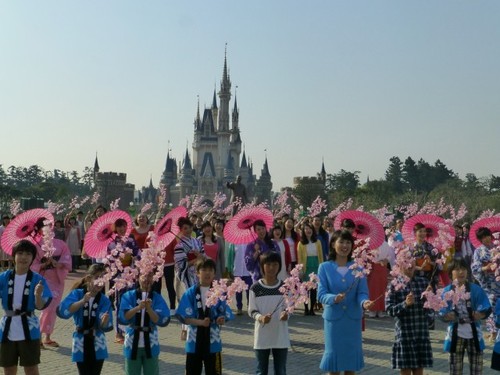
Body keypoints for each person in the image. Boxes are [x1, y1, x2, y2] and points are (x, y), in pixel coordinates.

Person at [317, 230, 373, 374]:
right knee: (333, 364)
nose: (345, 245)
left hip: (352, 321)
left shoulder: (358, 268)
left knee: (350, 363)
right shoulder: (324, 267)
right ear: (333, 244)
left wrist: (364, 302)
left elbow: (362, 292)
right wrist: (333, 298)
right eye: (341, 241)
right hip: (334, 321)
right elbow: (321, 294)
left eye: (348, 242)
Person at [0, 240, 52, 375]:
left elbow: (40, 306)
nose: (24, 257)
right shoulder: (4, 277)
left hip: (29, 327)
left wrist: (38, 295)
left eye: (28, 254)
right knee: (8, 368)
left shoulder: (38, 279)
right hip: (7, 328)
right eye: (20, 253)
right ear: (13, 256)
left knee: (31, 368)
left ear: (33, 258)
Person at [176, 258, 234, 375]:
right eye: (204, 270)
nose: (207, 273)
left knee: (214, 372)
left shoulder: (218, 292)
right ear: (197, 273)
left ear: (214, 273)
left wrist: (220, 319)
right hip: (194, 341)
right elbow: (183, 317)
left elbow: (224, 313)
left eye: (210, 270)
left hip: (213, 340)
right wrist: (200, 322)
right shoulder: (190, 292)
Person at [57, 264, 113, 375]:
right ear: (88, 278)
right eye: (97, 277)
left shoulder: (104, 300)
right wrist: (82, 301)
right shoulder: (77, 294)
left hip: (98, 340)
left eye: (103, 278)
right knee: (83, 372)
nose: (100, 281)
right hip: (80, 339)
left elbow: (104, 325)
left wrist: (104, 320)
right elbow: (66, 310)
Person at [439, 258, 491, 375]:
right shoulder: (446, 291)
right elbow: (441, 313)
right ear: (450, 273)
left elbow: (486, 308)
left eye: (463, 269)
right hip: (455, 334)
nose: (461, 272)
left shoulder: (476, 289)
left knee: (477, 369)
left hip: (474, 334)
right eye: (457, 269)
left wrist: (480, 314)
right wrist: (447, 315)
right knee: (455, 370)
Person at [385, 256, 433, 374]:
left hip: (421, 333)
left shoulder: (423, 282)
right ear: (400, 265)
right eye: (406, 262)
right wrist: (404, 304)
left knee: (419, 370)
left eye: (412, 262)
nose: (410, 266)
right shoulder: (394, 284)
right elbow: (389, 309)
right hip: (405, 334)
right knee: (405, 370)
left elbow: (431, 310)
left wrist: (431, 298)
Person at [119, 272, 170, 375]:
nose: (147, 279)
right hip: (132, 341)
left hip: (151, 341)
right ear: (137, 277)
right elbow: (125, 316)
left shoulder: (157, 297)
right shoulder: (128, 295)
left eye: (150, 276)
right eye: (144, 275)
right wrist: (138, 308)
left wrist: (149, 309)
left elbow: (158, 320)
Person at [31, 219, 72, 348]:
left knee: (53, 308)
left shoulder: (60, 244)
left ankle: (47, 336)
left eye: (49, 226)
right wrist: (43, 264)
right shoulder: (35, 245)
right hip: (43, 279)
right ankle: (37, 336)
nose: (48, 228)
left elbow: (66, 259)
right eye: (44, 226)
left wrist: (57, 263)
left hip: (57, 279)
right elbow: (32, 264)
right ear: (39, 229)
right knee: (46, 307)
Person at [248, 251, 290, 375]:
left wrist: (286, 314)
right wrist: (261, 318)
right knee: (261, 370)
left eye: (275, 264)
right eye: (268, 264)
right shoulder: (255, 288)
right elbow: (252, 310)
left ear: (279, 266)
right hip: (262, 335)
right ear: (262, 266)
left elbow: (289, 307)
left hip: (280, 335)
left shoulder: (285, 287)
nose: (272, 268)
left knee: (280, 370)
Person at [471, 226, 499, 341]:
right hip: (488, 283)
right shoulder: (478, 251)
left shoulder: (497, 247)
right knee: (491, 305)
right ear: (480, 239)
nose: (486, 239)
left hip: (498, 279)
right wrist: (485, 267)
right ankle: (493, 332)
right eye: (483, 237)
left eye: (487, 236)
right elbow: (475, 267)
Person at [297, 222, 323, 315]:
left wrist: (321, 268)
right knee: (305, 289)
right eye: (306, 229)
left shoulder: (318, 242)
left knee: (313, 289)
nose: (308, 230)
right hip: (306, 266)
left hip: (315, 266)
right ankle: (306, 309)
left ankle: (312, 309)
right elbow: (300, 257)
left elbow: (321, 256)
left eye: (310, 228)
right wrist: (300, 270)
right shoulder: (301, 243)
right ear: (303, 231)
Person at [366, 241, 395, 318]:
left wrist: (386, 260)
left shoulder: (385, 244)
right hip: (373, 267)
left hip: (382, 267)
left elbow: (390, 255)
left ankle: (380, 309)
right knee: (373, 287)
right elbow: (366, 255)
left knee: (382, 287)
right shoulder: (370, 243)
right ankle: (372, 309)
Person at [227, 242, 252, 315]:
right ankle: (239, 308)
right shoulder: (233, 243)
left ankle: (250, 307)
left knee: (249, 290)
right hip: (237, 270)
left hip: (248, 271)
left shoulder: (249, 242)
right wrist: (230, 269)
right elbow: (230, 257)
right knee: (238, 291)